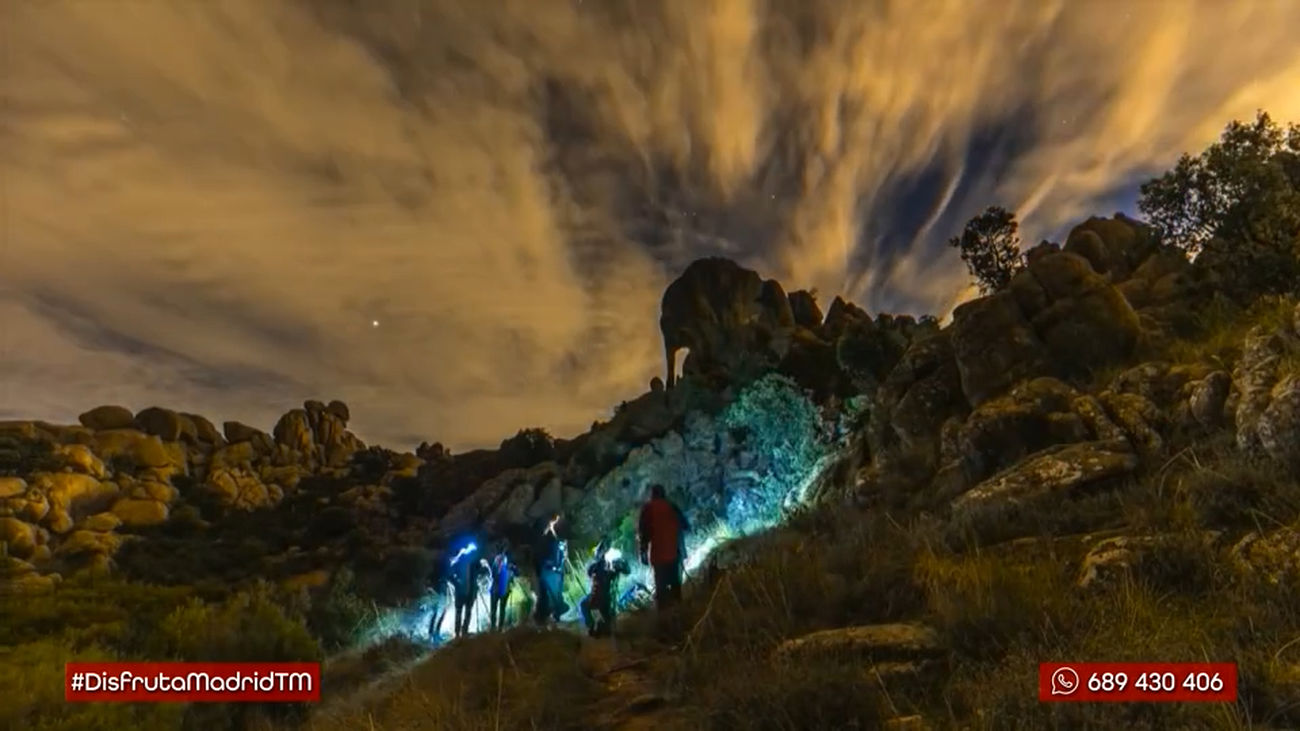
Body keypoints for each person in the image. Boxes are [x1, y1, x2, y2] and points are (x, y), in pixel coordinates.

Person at [638, 484, 690, 611]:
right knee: (675, 585)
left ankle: (664, 620)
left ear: (652, 495)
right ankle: (680, 614)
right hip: (674, 552)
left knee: (661, 590)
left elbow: (643, 533)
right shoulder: (671, 506)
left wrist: (643, 553)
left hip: (659, 556)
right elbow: (685, 525)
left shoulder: (648, 509)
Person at [581, 538, 632, 638]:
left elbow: (590, 572)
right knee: (601, 611)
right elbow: (626, 571)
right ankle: (601, 626)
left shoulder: (597, 567)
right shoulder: (610, 568)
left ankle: (592, 626)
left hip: (597, 598)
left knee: (583, 604)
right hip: (607, 599)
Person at [447, 540, 490, 637]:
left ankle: (462, 633)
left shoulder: (472, 563)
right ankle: (460, 633)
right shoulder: (461, 562)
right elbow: (450, 575)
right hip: (464, 592)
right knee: (463, 613)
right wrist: (457, 584)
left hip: (468, 592)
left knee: (465, 613)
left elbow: (483, 571)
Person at [533, 514, 569, 626]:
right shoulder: (546, 542)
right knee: (548, 595)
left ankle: (554, 614)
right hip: (549, 571)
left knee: (555, 594)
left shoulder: (558, 543)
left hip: (555, 572)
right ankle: (547, 615)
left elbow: (561, 553)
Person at [488, 542, 519, 631]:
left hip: (502, 589)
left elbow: (515, 573)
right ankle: (494, 627)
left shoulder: (508, 562)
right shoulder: (498, 560)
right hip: (498, 589)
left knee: (501, 609)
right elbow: (494, 574)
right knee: (495, 609)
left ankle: (498, 628)